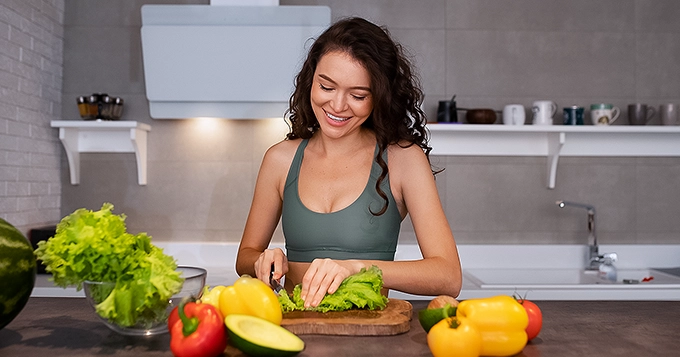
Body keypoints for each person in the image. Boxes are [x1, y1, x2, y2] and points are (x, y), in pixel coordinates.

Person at [235, 17, 461, 308]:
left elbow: (448, 276)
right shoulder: (280, 159)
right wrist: (264, 259)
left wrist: (356, 267)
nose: (338, 106)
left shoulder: (403, 159)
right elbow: (245, 256)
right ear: (310, 81)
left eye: (357, 95)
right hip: (296, 329)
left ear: (378, 97)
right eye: (326, 87)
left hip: (369, 337)